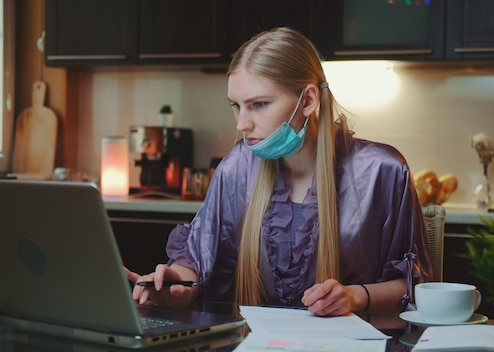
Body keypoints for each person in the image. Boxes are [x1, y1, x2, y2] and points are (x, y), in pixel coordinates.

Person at [126, 27, 433, 317]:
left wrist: (354, 296)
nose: (241, 124)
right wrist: (173, 284)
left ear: (308, 100)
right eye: (236, 105)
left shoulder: (383, 171)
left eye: (259, 104)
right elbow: (198, 259)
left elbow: (414, 287)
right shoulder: (236, 168)